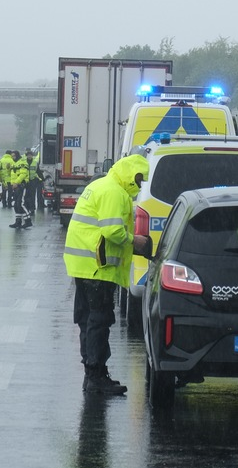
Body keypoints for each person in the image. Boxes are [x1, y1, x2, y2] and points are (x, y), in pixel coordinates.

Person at [63, 153, 152, 395]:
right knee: (99, 321)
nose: (140, 184)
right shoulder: (114, 192)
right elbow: (113, 231)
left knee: (88, 321)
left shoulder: (100, 185)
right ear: (130, 173)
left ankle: (92, 374)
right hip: (98, 268)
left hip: (83, 266)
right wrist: (137, 242)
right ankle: (95, 375)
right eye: (140, 178)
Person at [7, 149, 31, 229]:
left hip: (22, 186)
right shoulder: (14, 163)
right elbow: (11, 174)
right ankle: (18, 221)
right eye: (12, 156)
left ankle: (28, 221)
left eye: (14, 156)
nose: (13, 157)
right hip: (15, 186)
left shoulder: (23, 163)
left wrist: (16, 183)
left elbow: (23, 174)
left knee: (21, 204)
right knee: (16, 205)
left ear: (17, 155)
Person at [24, 148, 42, 216]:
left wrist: (42, 179)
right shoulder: (24, 162)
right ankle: (26, 208)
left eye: (30, 155)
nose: (29, 156)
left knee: (32, 196)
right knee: (25, 196)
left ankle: (32, 209)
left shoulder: (35, 163)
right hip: (25, 181)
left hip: (32, 181)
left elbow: (38, 171)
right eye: (28, 155)